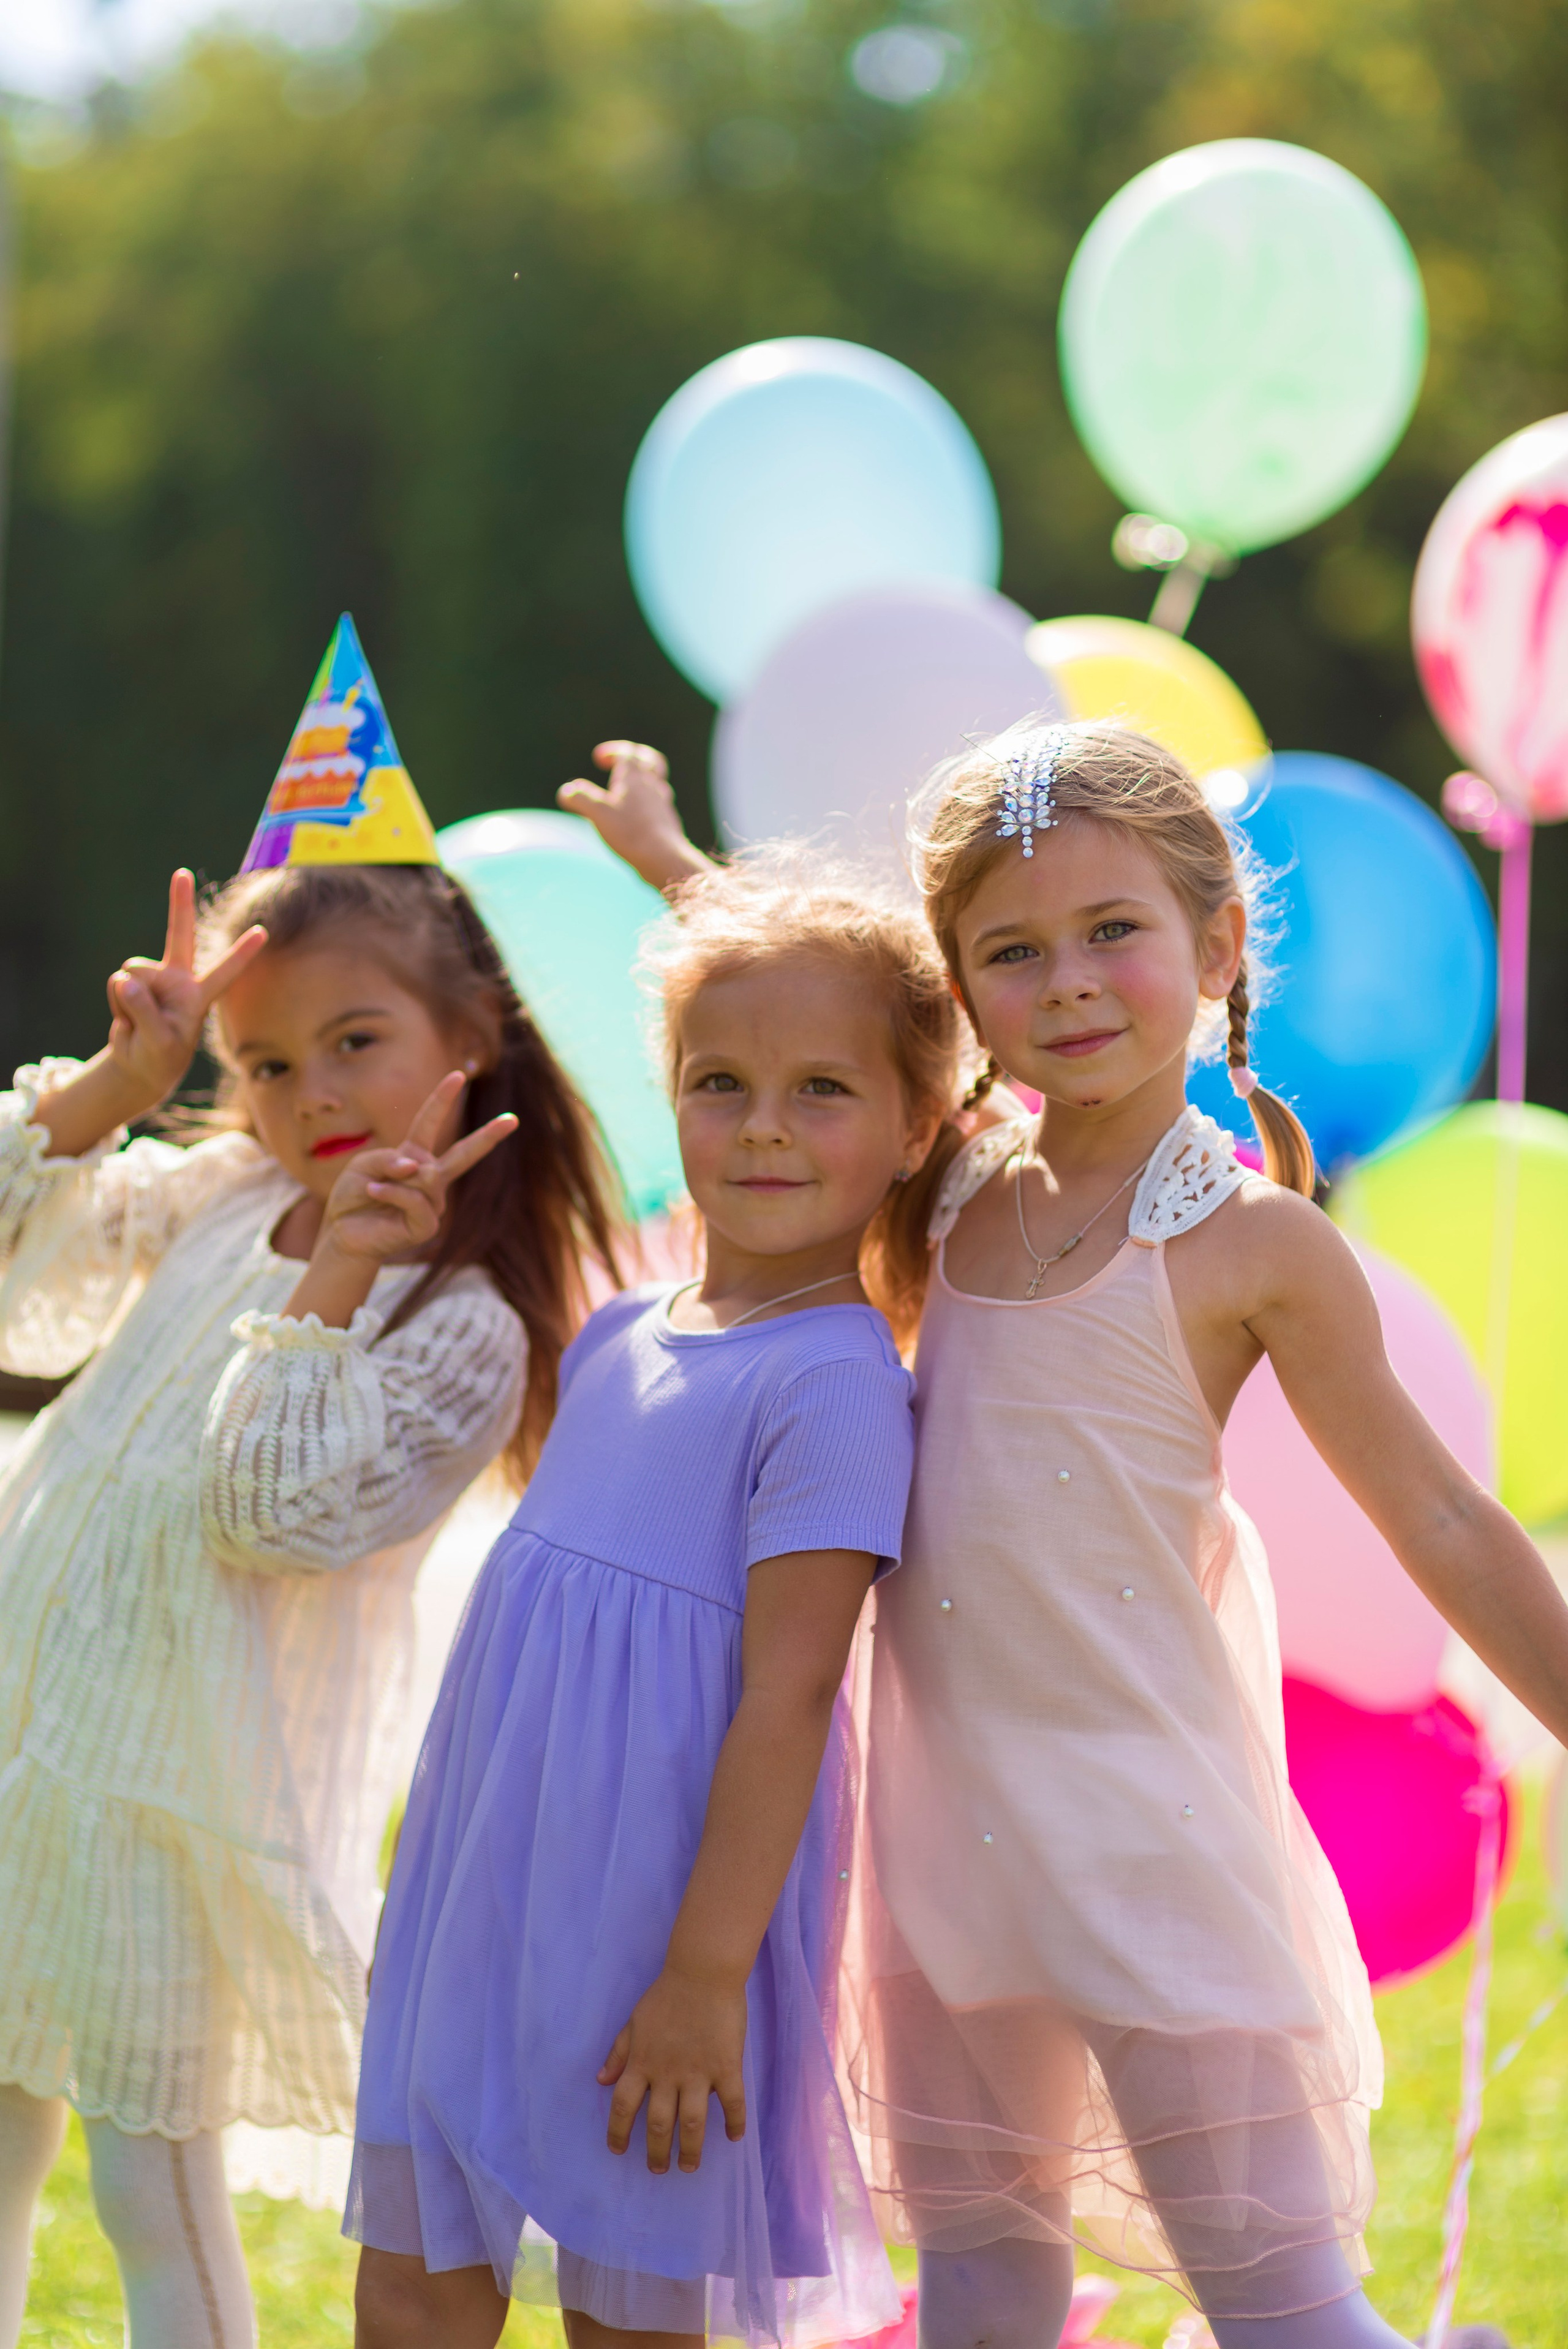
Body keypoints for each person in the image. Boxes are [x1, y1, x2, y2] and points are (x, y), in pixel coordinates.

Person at [573, 725, 1553, 2349]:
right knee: (982, 2281)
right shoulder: (948, 1190)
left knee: (1280, 2299)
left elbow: (1442, 1515)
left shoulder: (1251, 1243)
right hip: (947, 1839)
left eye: (1116, 934)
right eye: (1014, 952)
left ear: (1217, 945)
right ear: (960, 989)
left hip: (1145, 1832)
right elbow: (807, 1015)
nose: (1074, 982)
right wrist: (674, 863)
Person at [0, 622, 622, 2349]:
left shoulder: (461, 1322)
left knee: (148, 2184)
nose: (312, 1096)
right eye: (268, 1064)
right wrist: (126, 1086)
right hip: (34, 1736)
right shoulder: (208, 1201)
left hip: (183, 1800)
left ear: (474, 1028)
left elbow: (265, 1514)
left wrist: (338, 1280)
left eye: (357, 1043)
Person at [347, 858, 957, 2349]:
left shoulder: (830, 1383)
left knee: (632, 2298)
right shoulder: (626, 1325)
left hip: (667, 1915)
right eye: (717, 1080)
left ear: (914, 1127)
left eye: (821, 1089)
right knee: (415, 2276)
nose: (760, 1126)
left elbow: (789, 1693)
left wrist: (700, 1976)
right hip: (495, 1882)